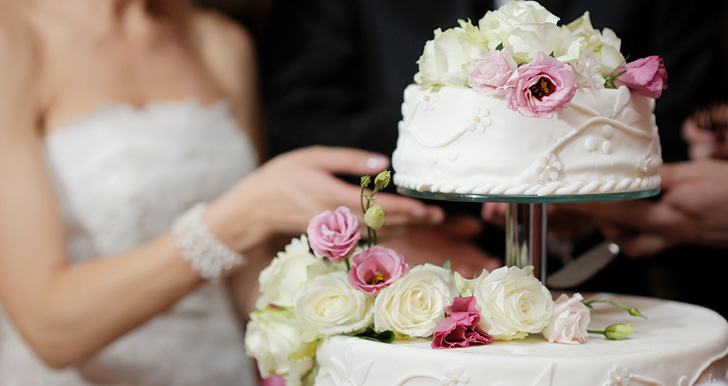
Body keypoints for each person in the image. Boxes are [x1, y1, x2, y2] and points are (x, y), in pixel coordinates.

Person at [0, 1, 446, 384]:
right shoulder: (14, 37)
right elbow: (49, 328)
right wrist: (239, 219)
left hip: (216, 368)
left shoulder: (221, 43)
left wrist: (385, 273)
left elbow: (248, 282)